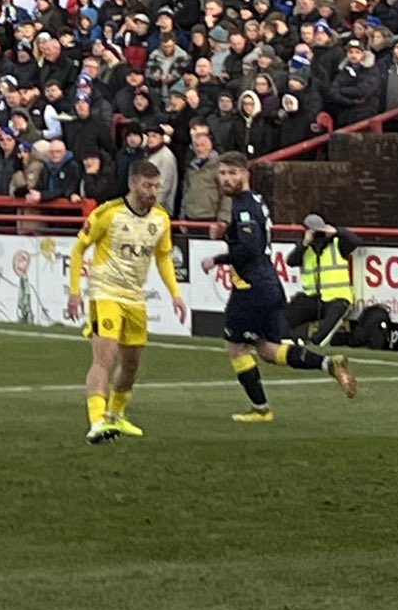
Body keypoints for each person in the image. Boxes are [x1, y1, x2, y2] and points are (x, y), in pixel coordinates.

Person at [208, 153, 357, 421]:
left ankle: (261, 409)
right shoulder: (254, 200)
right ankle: (328, 363)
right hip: (268, 284)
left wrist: (217, 258)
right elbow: (251, 236)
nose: (227, 179)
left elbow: (250, 248)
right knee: (267, 349)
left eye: (232, 173)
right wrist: (227, 233)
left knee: (236, 347)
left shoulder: (242, 205)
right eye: (223, 173)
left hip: (251, 288)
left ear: (245, 174)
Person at [65, 158, 185, 444]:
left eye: (157, 186)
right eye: (147, 185)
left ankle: (115, 416)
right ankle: (96, 422)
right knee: (104, 358)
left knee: (131, 365)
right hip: (105, 291)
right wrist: (74, 291)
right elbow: (79, 249)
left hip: (135, 297)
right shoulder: (108, 213)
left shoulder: (161, 219)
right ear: (133, 184)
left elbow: (163, 256)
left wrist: (175, 294)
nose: (153, 191)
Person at [284, 212, 360, 345]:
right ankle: (290, 340)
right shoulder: (305, 247)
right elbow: (291, 261)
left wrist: (337, 232)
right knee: (282, 320)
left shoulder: (337, 244)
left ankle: (314, 341)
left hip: (338, 298)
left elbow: (356, 241)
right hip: (312, 299)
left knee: (321, 337)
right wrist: (305, 243)